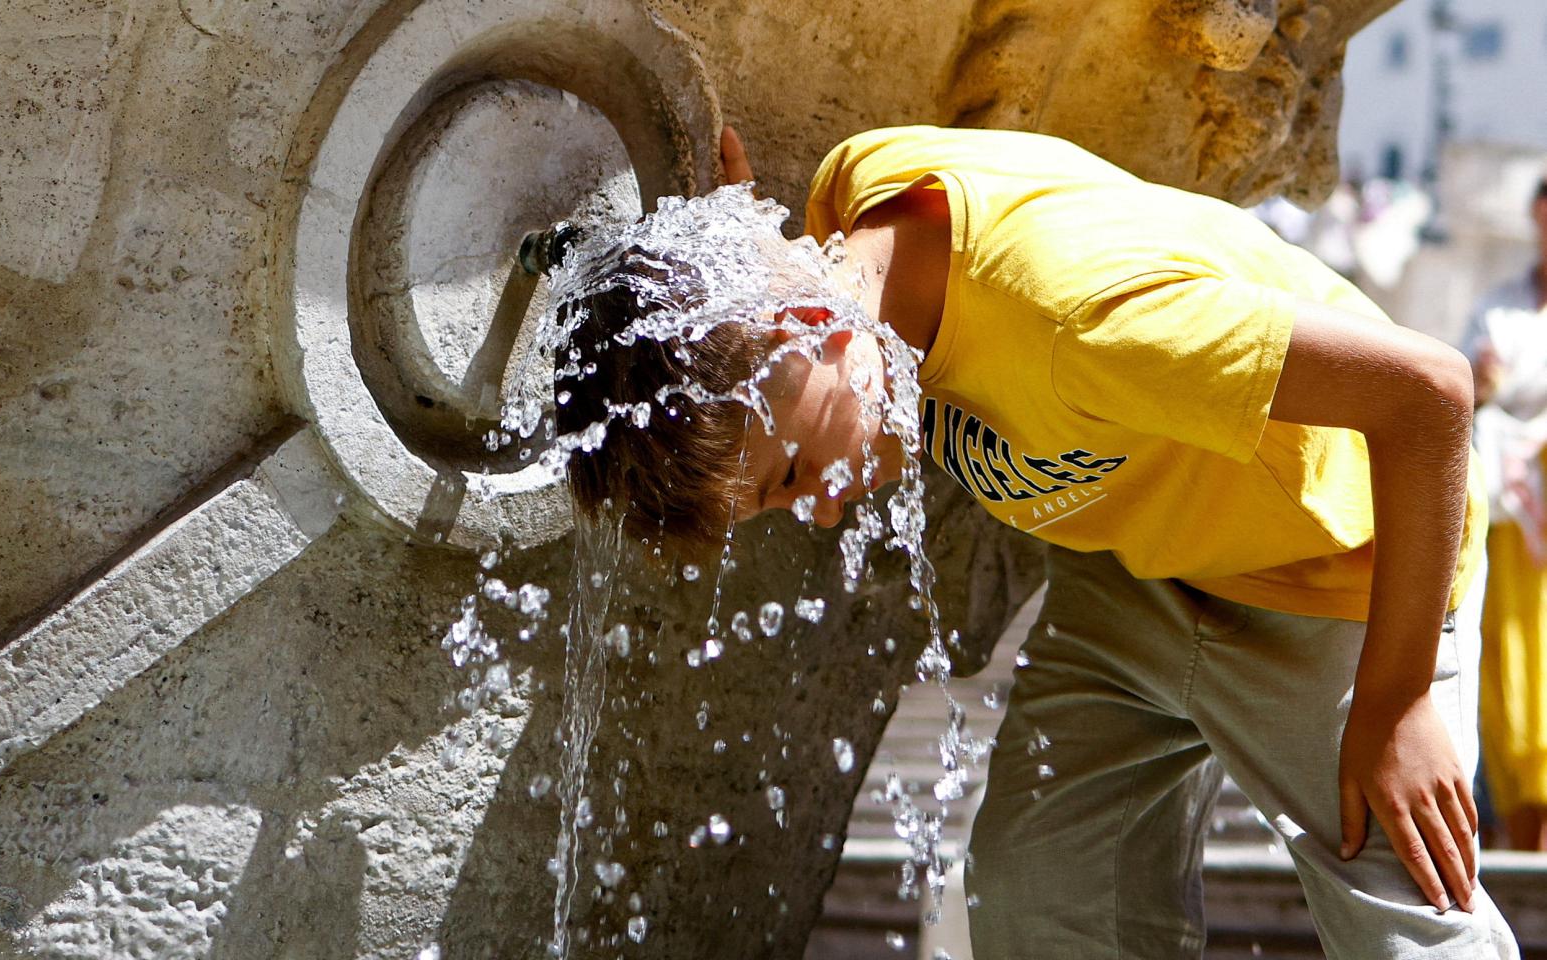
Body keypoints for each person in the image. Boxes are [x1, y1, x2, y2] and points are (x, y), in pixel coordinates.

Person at [550, 124, 1518, 958]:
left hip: (1333, 577)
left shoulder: (1081, 324)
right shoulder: (851, 219)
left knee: (1403, 914)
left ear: (811, 325)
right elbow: (748, 326)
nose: (823, 512)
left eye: (795, 477)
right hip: (1129, 582)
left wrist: (1391, 702)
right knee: (1038, 885)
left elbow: (1427, 394)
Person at [1461, 175, 1547, 851]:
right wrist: (1481, 386)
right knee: (1513, 698)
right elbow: (1464, 393)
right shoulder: (1500, 309)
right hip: (1510, 523)